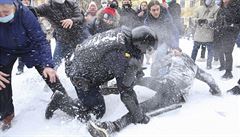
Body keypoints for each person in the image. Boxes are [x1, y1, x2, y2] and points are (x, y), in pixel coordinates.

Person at [87, 50, 222, 137]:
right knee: (142, 85)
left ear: (181, 52)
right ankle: (121, 88)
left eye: (176, 51)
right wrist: (216, 90)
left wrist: (168, 57)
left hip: (172, 90)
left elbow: (156, 67)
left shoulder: (176, 58)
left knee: (141, 105)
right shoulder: (195, 67)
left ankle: (112, 126)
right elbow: (209, 78)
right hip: (168, 85)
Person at [44, 26, 158, 125]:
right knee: (97, 111)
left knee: (97, 93)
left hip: (78, 61)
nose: (148, 52)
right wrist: (139, 117)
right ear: (140, 44)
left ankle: (84, 95)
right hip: (81, 75)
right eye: (148, 49)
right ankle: (61, 101)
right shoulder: (122, 56)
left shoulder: (123, 34)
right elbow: (126, 92)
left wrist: (136, 72)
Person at [0, 0, 67, 130]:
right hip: (4, 51)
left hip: (29, 47)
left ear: (14, 7)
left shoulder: (25, 14)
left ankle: (64, 99)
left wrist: (48, 64)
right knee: (2, 81)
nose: (2, 16)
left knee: (48, 72)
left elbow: (40, 40)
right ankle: (7, 114)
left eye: (6, 12)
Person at [33, 0, 86, 69]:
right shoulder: (47, 7)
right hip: (63, 41)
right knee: (54, 65)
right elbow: (33, 11)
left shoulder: (71, 3)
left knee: (82, 61)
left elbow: (80, 17)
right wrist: (21, 7)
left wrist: (72, 20)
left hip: (78, 38)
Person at [214, 0, 240, 79]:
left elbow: (238, 22)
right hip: (221, 32)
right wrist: (215, 24)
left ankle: (228, 72)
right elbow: (218, 19)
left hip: (231, 32)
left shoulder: (237, 6)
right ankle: (223, 66)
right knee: (221, 49)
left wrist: (233, 26)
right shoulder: (222, 7)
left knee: (228, 52)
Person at [190, 0, 219, 69]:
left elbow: (216, 19)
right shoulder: (199, 8)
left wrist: (207, 21)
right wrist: (198, 20)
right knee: (195, 48)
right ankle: (191, 63)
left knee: (210, 50)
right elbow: (193, 18)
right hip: (199, 32)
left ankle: (208, 64)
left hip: (209, 32)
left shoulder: (216, 8)